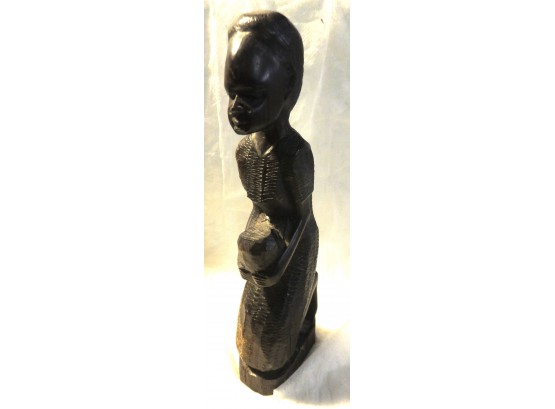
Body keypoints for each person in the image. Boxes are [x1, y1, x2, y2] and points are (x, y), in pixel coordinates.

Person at [224, 11, 319, 394]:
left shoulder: (294, 155)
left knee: (270, 351)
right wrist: (246, 253)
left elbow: (302, 218)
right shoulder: (245, 152)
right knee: (250, 336)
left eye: (252, 96)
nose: (235, 107)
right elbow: (258, 208)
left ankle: (304, 313)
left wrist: (278, 267)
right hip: (267, 249)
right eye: (232, 93)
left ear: (288, 89)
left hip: (295, 248)